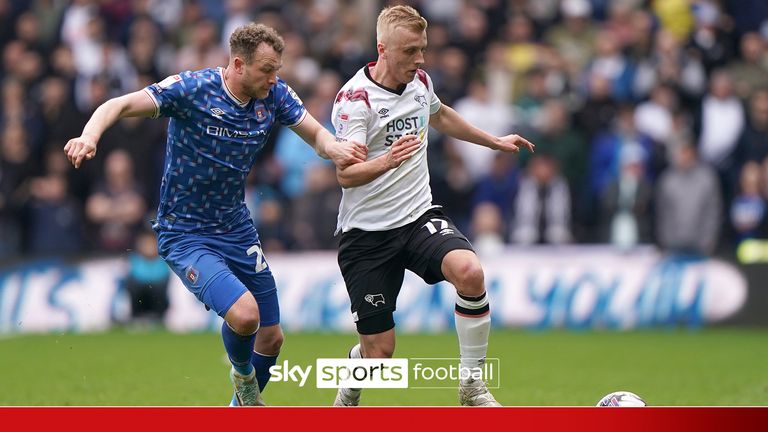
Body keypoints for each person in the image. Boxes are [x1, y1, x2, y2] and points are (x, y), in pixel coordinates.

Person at [64, 23, 367, 406]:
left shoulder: (274, 95)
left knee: (272, 338)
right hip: (185, 233)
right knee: (244, 316)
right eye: (266, 70)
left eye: (277, 70)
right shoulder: (192, 89)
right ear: (238, 64)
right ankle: (243, 380)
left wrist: (336, 149)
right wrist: (90, 136)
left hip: (236, 228)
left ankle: (238, 410)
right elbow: (118, 104)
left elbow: (318, 137)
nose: (274, 79)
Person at [330, 5, 534, 407]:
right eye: (409, 51)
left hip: (417, 216)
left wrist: (493, 141)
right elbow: (345, 175)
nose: (419, 59)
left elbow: (440, 116)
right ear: (382, 48)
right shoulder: (356, 102)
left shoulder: (420, 82)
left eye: (422, 49)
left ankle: (472, 386)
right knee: (380, 356)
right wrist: (386, 160)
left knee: (470, 273)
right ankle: (351, 380)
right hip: (367, 234)